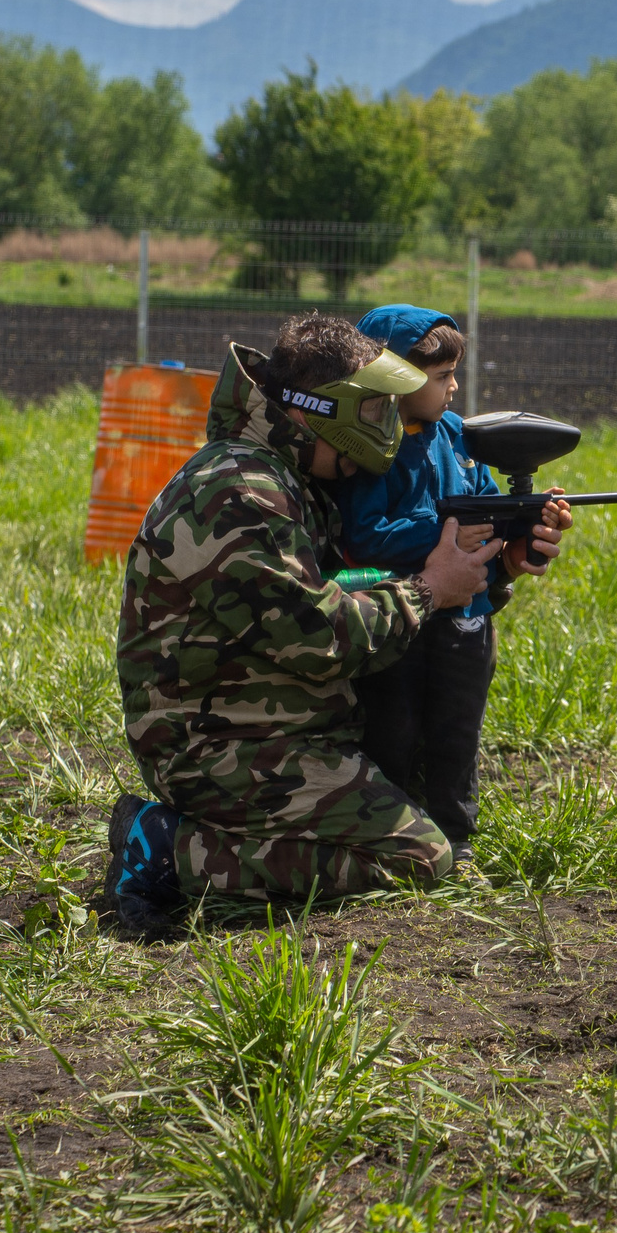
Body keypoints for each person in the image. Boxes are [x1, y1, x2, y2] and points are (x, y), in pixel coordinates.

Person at [102, 313, 569, 936]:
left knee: (424, 827)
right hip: (219, 748)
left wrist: (493, 568)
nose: (387, 426)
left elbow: (358, 586)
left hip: (281, 726)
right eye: (375, 408)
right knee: (417, 858)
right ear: (312, 412)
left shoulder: (292, 476)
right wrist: (432, 588)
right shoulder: (240, 492)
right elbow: (320, 637)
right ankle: (168, 848)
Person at [338, 305, 503, 860]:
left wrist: (522, 523)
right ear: (395, 379)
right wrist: (443, 530)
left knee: (458, 731)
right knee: (395, 727)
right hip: (399, 614)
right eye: (440, 377)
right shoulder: (370, 446)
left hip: (466, 616)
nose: (454, 388)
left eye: (455, 373)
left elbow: (486, 501)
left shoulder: (455, 434)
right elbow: (366, 534)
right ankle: (394, 833)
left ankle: (456, 839)